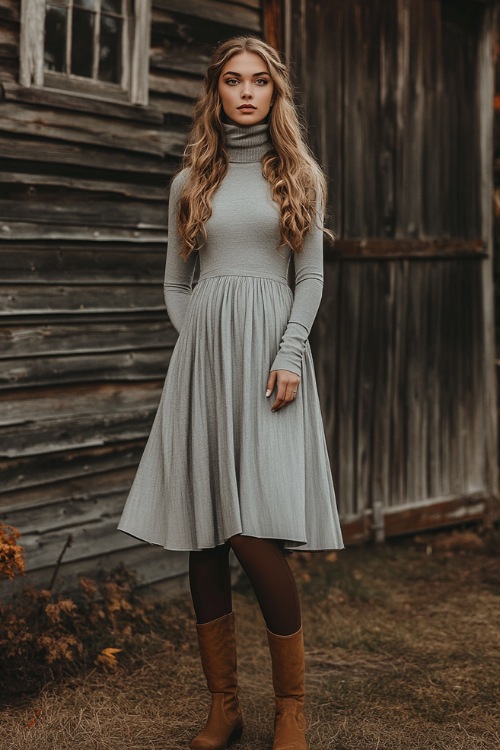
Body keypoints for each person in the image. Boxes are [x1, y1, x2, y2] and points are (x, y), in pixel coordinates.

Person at [118, 35, 343, 750]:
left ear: (276, 94)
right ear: (215, 93)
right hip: (204, 367)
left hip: (272, 364)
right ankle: (225, 707)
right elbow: (175, 282)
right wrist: (195, 346)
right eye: (233, 82)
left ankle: (292, 709)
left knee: (252, 531)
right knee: (205, 534)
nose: (246, 93)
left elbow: (307, 279)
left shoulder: (299, 173)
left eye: (260, 83)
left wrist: (289, 352)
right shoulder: (190, 183)